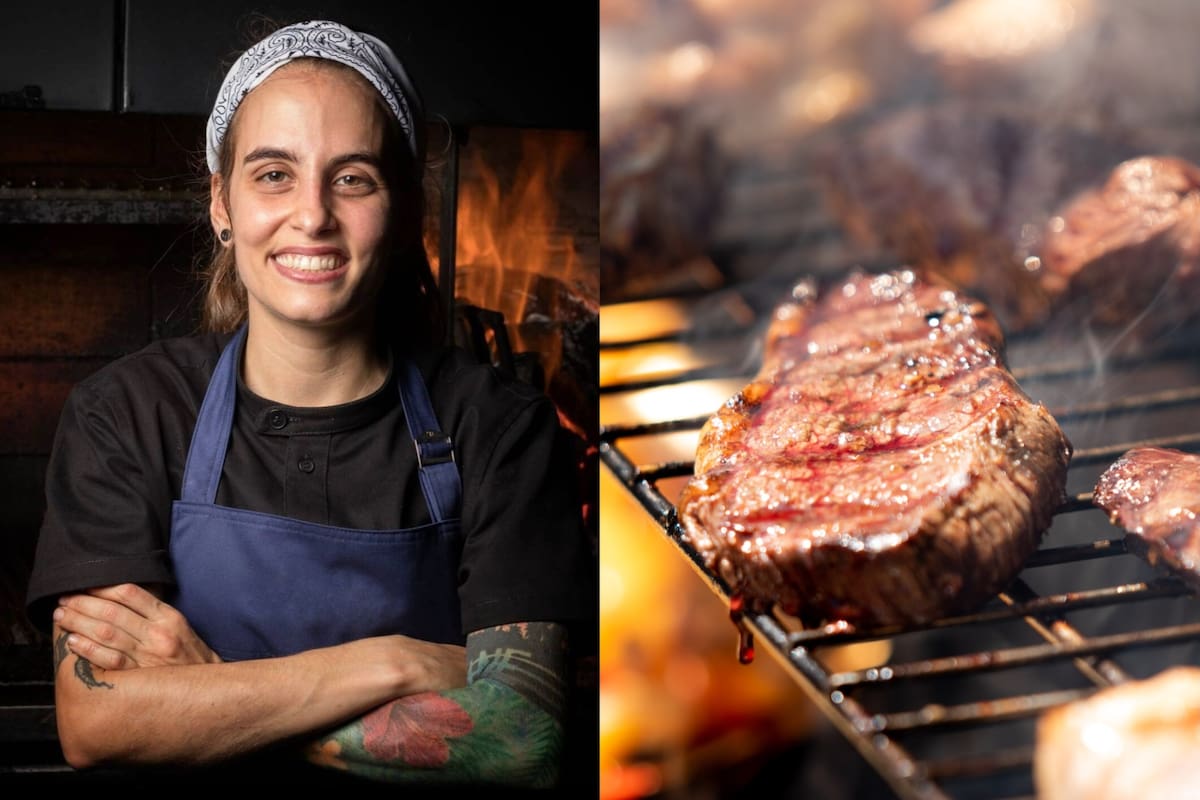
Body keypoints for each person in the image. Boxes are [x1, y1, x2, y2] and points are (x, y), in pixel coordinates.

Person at [23, 18, 595, 791]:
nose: (313, 215)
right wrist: (391, 663)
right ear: (221, 204)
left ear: (402, 214)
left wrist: (207, 691)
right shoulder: (126, 415)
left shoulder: (499, 427)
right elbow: (95, 722)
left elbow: (524, 741)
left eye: (353, 177)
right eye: (273, 174)